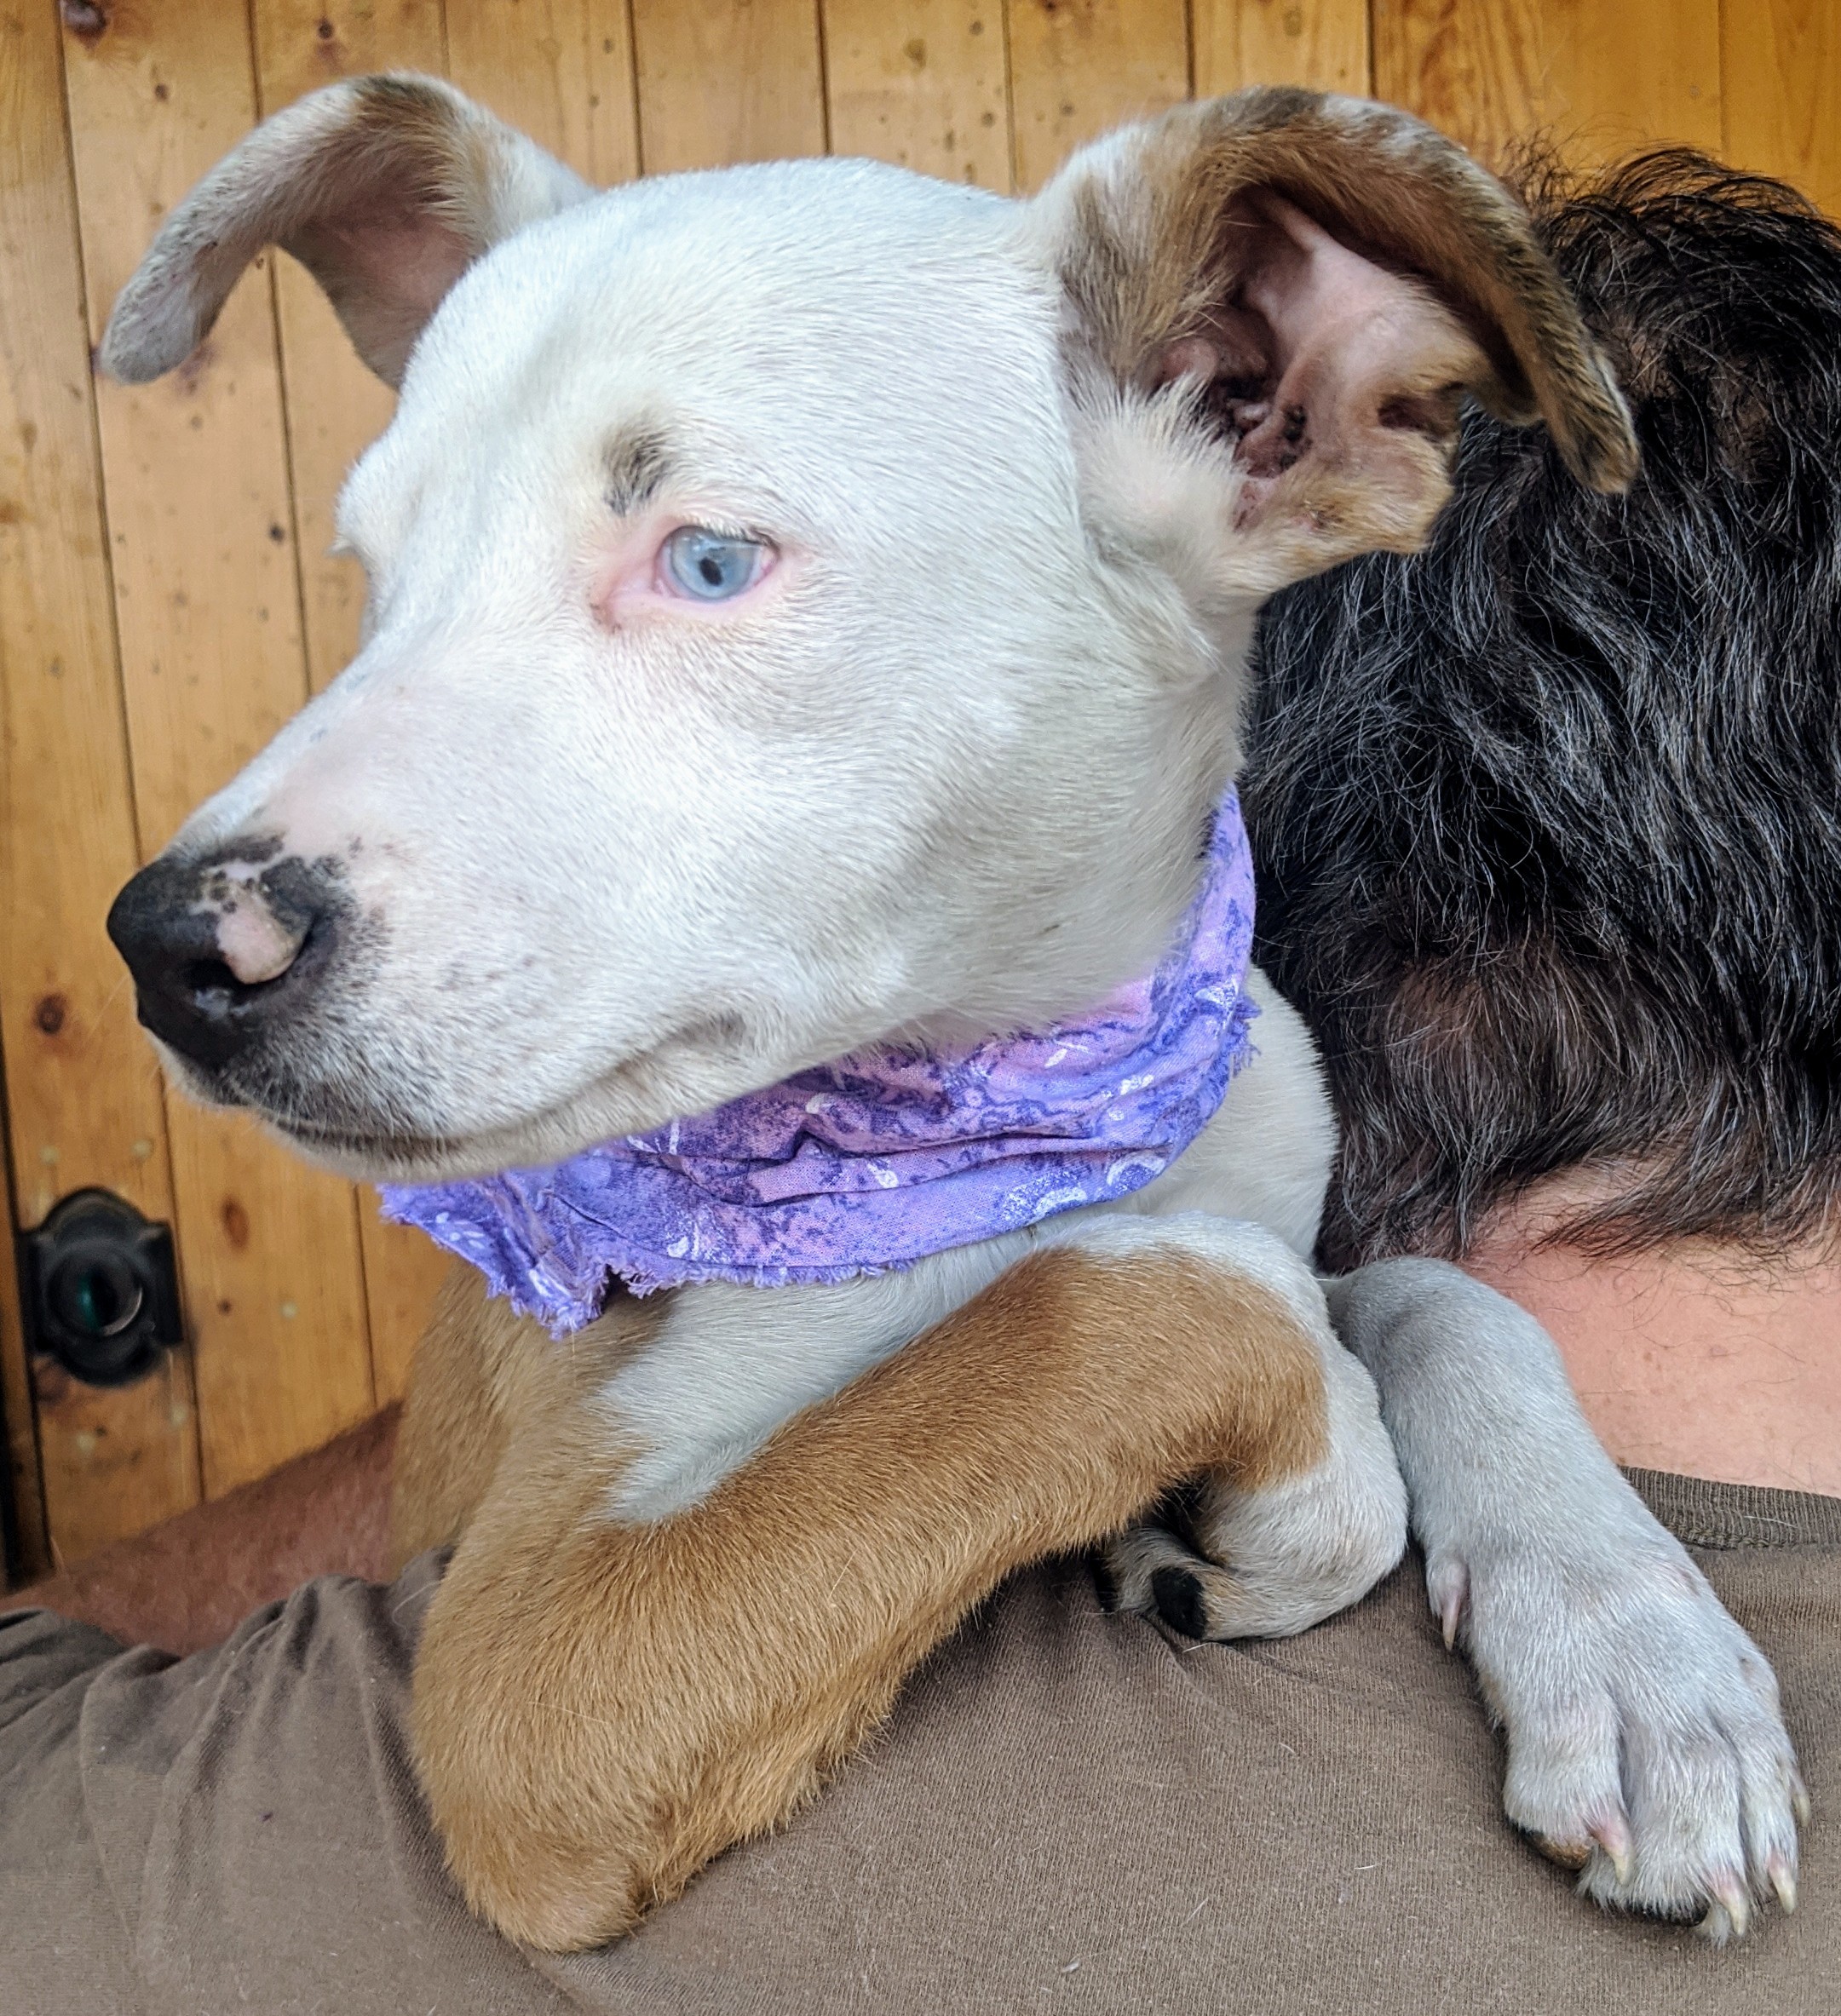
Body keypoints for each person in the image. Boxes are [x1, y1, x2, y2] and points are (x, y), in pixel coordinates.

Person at [4, 152, 1838, 2016]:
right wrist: (1188, 1334)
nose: (228, 901)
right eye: (417, 572)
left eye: (709, 557)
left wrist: (1463, 1395)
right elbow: (548, 1797)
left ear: (1260, 410)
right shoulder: (675, 1143)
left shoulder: (1227, 1078)